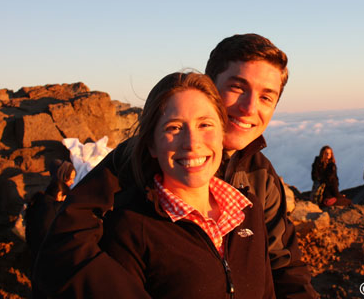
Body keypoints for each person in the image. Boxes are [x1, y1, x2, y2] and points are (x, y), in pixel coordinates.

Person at [36, 34, 317, 298]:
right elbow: (69, 251)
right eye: (236, 88)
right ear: (209, 87)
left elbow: (283, 266)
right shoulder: (136, 174)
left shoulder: (259, 179)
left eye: (266, 97)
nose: (249, 107)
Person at [99, 72, 274, 297]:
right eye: (174, 128)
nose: (192, 143)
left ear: (222, 133)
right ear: (151, 144)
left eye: (205, 125)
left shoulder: (248, 210)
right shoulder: (131, 228)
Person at [25, 178, 71, 298]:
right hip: (49, 258)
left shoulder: (36, 203)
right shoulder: (53, 208)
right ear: (60, 194)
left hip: (35, 255)